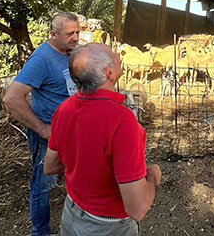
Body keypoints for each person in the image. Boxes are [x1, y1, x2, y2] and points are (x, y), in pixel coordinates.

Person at [44, 43, 161, 235]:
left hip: (71, 214)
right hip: (107, 227)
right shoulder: (122, 121)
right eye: (114, 55)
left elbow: (50, 166)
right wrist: (154, 176)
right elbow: (137, 208)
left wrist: (84, 165)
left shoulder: (64, 109)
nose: (118, 56)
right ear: (109, 73)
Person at [3, 12, 80, 236]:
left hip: (70, 131)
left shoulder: (69, 52)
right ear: (53, 34)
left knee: (75, 175)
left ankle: (75, 224)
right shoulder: (42, 59)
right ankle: (40, 232)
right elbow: (11, 98)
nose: (76, 38)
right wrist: (42, 129)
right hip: (49, 133)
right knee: (43, 183)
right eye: (70, 34)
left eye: (77, 32)